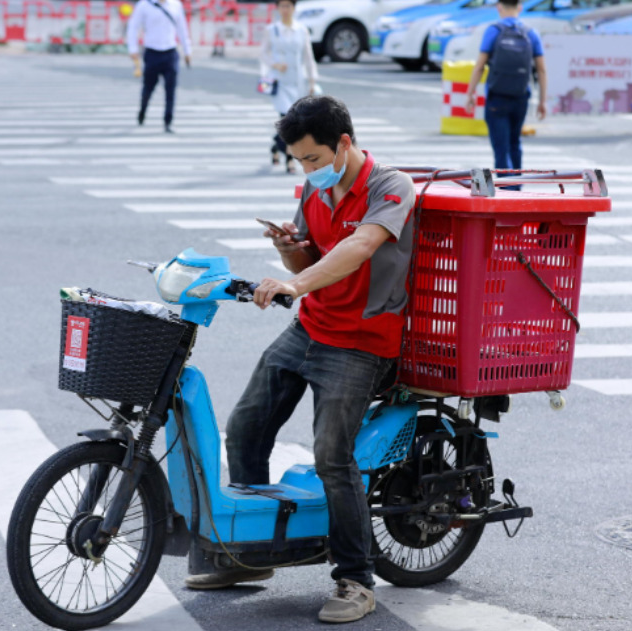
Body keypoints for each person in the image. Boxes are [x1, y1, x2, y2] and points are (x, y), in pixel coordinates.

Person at [184, 96, 416, 625]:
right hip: (310, 327)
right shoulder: (315, 191)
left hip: (361, 342)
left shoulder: (390, 187)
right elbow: (312, 257)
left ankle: (356, 579)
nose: (306, 171)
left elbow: (359, 247)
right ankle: (251, 554)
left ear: (344, 145)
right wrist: (290, 249)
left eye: (312, 159)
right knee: (245, 428)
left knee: (332, 456)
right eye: (298, 162)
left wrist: (293, 281)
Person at [464, 0, 547, 181]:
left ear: (499, 7)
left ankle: (505, 190)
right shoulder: (531, 33)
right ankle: (516, 188)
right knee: (515, 142)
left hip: (497, 96)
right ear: (520, 7)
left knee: (501, 147)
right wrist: (542, 101)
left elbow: (479, 66)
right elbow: (541, 69)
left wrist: (470, 94)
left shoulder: (493, 31)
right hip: (521, 96)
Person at [259, 0, 318, 174]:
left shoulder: (301, 30)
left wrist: (312, 81)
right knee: (287, 119)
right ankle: (290, 158)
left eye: (288, 6)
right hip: (280, 81)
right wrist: (275, 65)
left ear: (293, 8)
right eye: (282, 6)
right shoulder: (272, 30)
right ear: (277, 8)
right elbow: (263, 53)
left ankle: (275, 147)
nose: (285, 10)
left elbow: (308, 57)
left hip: (298, 81)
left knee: (295, 122)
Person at [126, 0, 193, 134]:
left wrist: (187, 50)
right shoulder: (144, 5)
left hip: (170, 52)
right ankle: (142, 111)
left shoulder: (175, 4)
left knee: (171, 90)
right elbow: (133, 26)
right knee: (148, 89)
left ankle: (168, 121)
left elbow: (182, 28)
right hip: (152, 52)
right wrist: (132, 49)